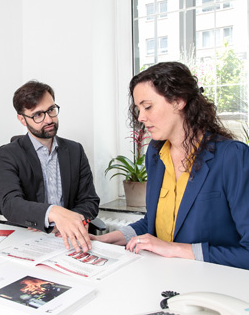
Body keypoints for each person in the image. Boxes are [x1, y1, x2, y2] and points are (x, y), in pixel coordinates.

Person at [90, 61, 249, 270]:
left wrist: (174, 249)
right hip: (166, 278)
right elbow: (153, 224)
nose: (141, 117)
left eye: (147, 107)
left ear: (178, 101)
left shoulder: (232, 157)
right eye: (138, 109)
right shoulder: (155, 155)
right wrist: (108, 239)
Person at [0, 80, 100, 253]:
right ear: (22, 119)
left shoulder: (75, 150)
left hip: (67, 239)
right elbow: (10, 204)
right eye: (38, 115)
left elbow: (90, 201)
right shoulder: (7, 154)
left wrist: (70, 220)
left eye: (51, 110)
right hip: (26, 241)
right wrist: (54, 213)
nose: (49, 119)